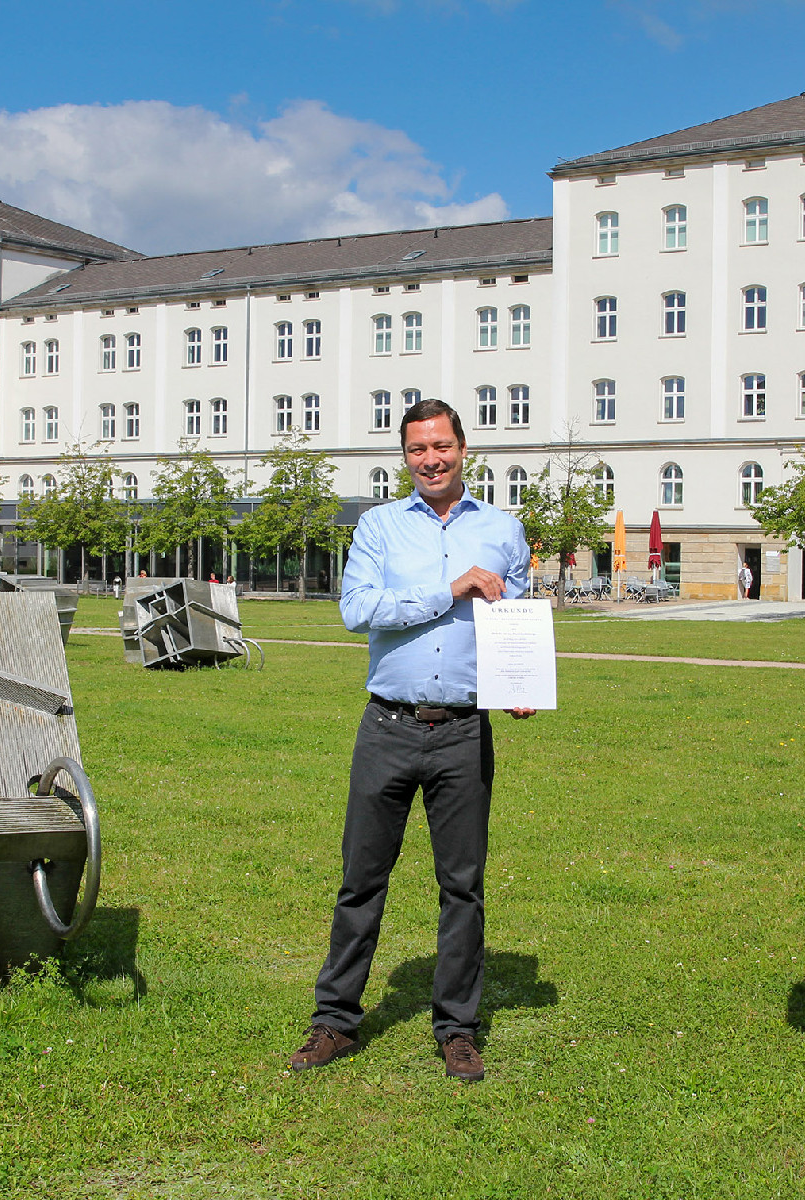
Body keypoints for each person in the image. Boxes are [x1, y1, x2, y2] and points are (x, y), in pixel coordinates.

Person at [288, 397, 534, 1083]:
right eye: (418, 449)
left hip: (462, 733)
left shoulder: (504, 530)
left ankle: (458, 1029)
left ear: (463, 449)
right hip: (388, 726)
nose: (431, 459)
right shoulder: (378, 528)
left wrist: (517, 682)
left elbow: (511, 621)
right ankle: (334, 1022)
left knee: (463, 886)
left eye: (442, 447)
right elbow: (357, 611)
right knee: (360, 880)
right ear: (405, 457)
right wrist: (448, 589)